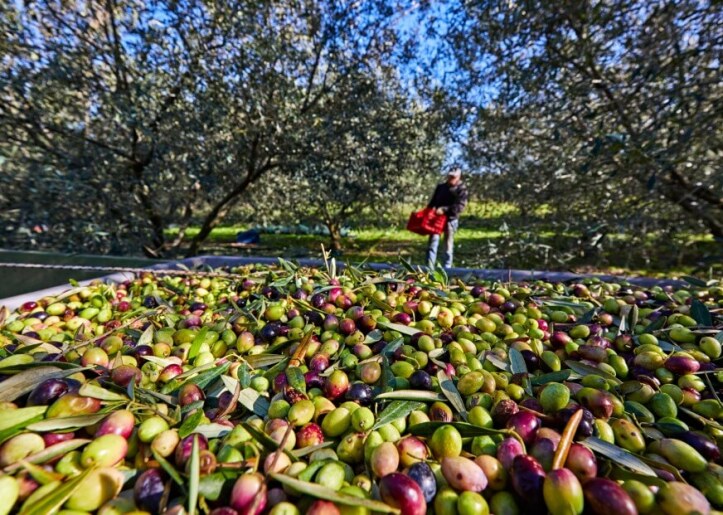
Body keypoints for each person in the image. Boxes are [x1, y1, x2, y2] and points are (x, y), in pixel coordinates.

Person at [426, 167, 468, 269]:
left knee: (447, 246)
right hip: (436, 220)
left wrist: (444, 210)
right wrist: (428, 212)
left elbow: (460, 206)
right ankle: (429, 268)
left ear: (458, 177)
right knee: (432, 243)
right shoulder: (441, 187)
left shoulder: (461, 189)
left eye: (453, 177)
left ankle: (446, 269)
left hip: (450, 220)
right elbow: (433, 202)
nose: (451, 179)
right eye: (450, 176)